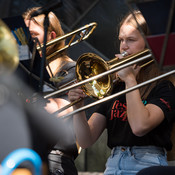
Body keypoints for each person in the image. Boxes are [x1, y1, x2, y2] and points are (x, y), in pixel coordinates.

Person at [68, 10, 175, 175]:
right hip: (113, 165)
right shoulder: (116, 86)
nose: (123, 46)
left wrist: (130, 80)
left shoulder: (165, 86)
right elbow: (86, 140)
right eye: (121, 40)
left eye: (130, 40)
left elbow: (140, 126)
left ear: (150, 44)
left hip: (148, 165)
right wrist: (78, 107)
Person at [22, 7, 79, 175]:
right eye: (23, 38)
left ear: (51, 36)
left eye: (32, 36)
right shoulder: (22, 72)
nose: (28, 43)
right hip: (25, 157)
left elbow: (61, 109)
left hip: (55, 161)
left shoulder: (69, 68)